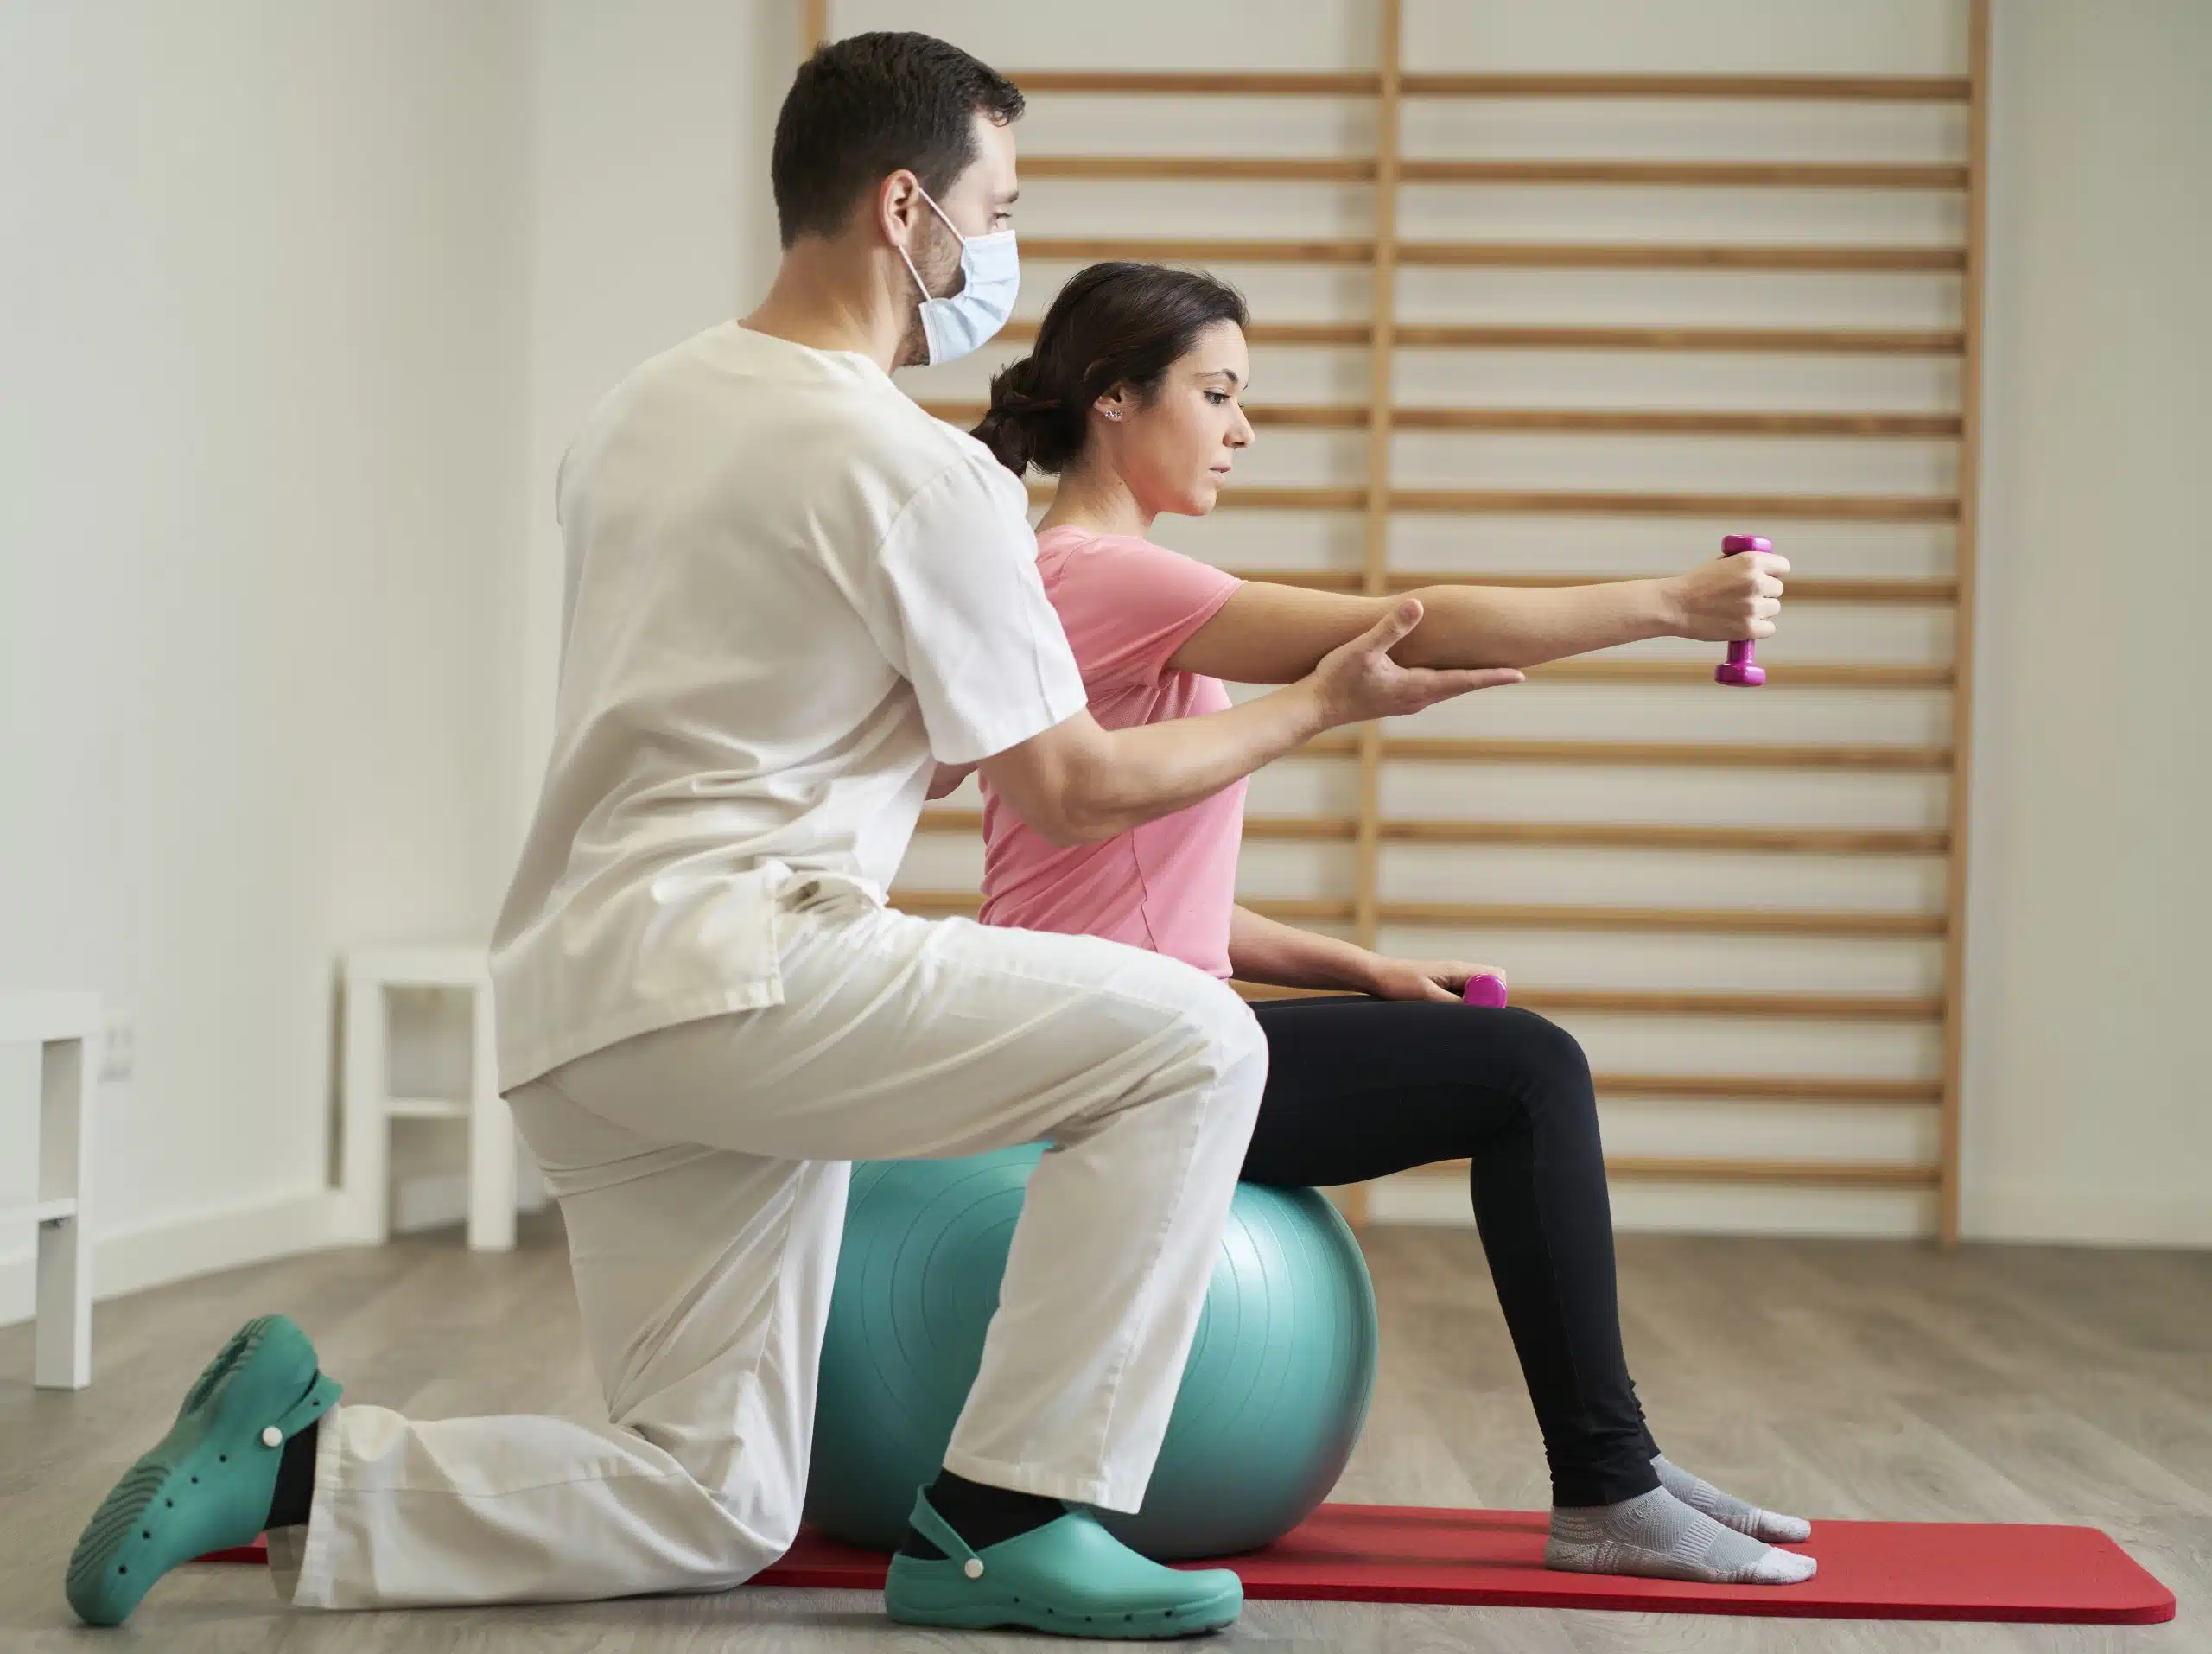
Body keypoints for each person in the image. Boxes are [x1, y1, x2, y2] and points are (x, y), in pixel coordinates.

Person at [61, 37, 1517, 1638]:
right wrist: (1320, 704)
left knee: (718, 1495)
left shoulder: (634, 415)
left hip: (578, 1001)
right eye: (998, 210)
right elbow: (1073, 788)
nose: (1002, 251)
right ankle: (1010, 1519)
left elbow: (779, 701)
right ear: (906, 209)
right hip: (752, 965)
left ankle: (298, 1469)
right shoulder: (914, 468)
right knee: (1196, 1044)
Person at [955, 259, 1819, 1587]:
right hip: (1122, 1066)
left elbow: (1133, 891)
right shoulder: (1105, 573)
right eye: (1217, 394)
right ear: (1114, 398)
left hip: (1120, 1027)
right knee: (1529, 1073)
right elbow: (1405, 628)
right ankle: (1608, 1483)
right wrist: (1669, 605)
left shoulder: (1065, 577)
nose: (1243, 428)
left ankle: (1625, 1466)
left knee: (1510, 1064)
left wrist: (1364, 969)